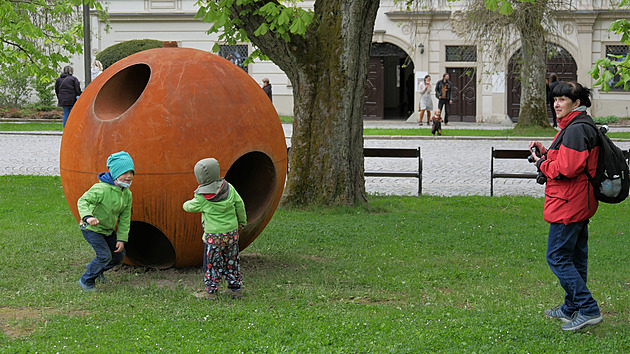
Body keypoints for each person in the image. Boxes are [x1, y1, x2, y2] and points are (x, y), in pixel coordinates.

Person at [529, 81, 603, 332]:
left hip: (569, 203)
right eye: (555, 99)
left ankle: (588, 308)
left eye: (562, 99)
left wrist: (542, 165)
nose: (556, 104)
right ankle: (571, 307)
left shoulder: (575, 129)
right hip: (580, 201)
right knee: (575, 257)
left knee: (557, 257)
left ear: (577, 103)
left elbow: (568, 169)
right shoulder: (579, 126)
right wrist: (547, 152)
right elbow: (570, 159)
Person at [183, 158, 247, 300]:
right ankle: (235, 289)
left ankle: (211, 292)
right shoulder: (229, 188)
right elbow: (240, 205)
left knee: (212, 264)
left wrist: (185, 203)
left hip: (213, 238)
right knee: (232, 261)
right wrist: (242, 223)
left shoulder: (202, 198)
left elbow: (189, 207)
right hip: (231, 235)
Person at [77, 151, 135, 292]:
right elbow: (83, 201)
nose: (129, 176)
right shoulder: (101, 189)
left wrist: (121, 239)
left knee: (118, 256)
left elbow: (125, 219)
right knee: (104, 256)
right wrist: (88, 217)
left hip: (108, 230)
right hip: (92, 229)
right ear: (115, 173)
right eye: (124, 172)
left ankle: (95, 268)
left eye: (131, 172)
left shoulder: (127, 194)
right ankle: (86, 280)